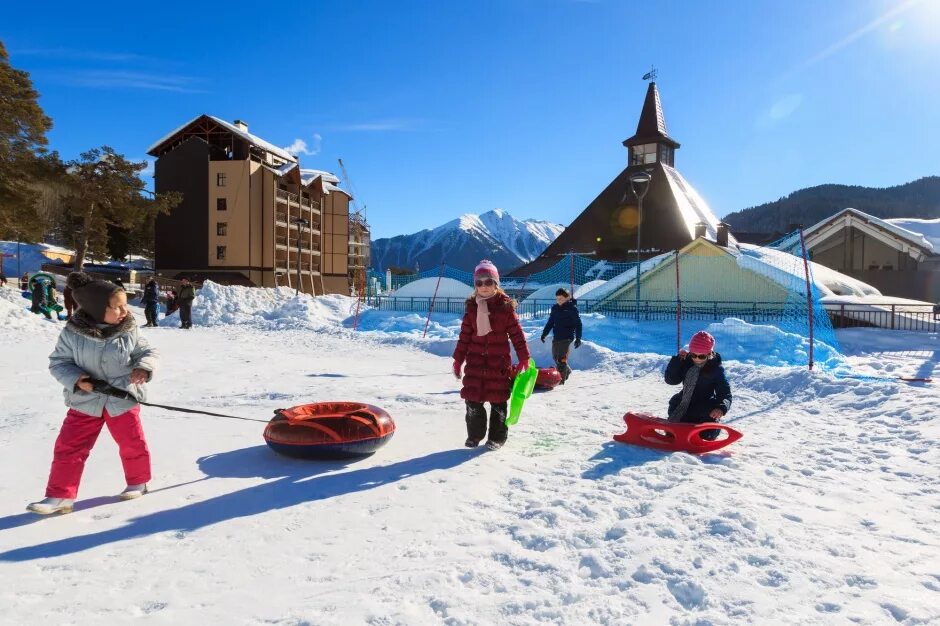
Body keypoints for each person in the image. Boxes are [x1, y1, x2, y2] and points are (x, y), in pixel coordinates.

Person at [27, 272, 159, 515]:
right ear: (97, 310)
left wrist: (143, 367)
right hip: (85, 400)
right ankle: (59, 495)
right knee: (68, 447)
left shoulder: (129, 329)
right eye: (117, 307)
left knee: (132, 443)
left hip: (121, 398)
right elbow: (58, 363)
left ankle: (138, 481)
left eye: (125, 305)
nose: (124, 311)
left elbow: (147, 351)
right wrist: (76, 379)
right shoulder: (72, 333)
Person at [452, 260, 531, 450]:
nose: (484, 287)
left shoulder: (505, 308)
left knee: (498, 402)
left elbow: (517, 335)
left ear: (496, 284)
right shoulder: (472, 308)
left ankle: (497, 437)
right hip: (475, 363)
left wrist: (524, 358)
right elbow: (464, 337)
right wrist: (458, 360)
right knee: (473, 401)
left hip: (498, 364)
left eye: (488, 282)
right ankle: (475, 435)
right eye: (479, 282)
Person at [664, 331, 732, 441]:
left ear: (709, 354)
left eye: (701, 356)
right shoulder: (687, 362)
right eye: (693, 355)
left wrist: (721, 407)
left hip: (703, 407)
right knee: (674, 408)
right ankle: (679, 427)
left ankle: (711, 429)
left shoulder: (716, 369)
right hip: (684, 404)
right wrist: (677, 361)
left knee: (707, 433)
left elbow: (724, 391)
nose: (696, 359)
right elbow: (671, 380)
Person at [540, 287, 583, 384]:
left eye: (561, 299)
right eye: (557, 299)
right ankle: (566, 370)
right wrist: (544, 334)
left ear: (567, 298)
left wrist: (578, 338)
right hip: (557, 336)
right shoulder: (555, 308)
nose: (558, 301)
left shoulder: (572, 309)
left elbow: (578, 324)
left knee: (561, 359)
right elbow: (550, 322)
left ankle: (561, 380)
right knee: (555, 357)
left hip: (567, 337)